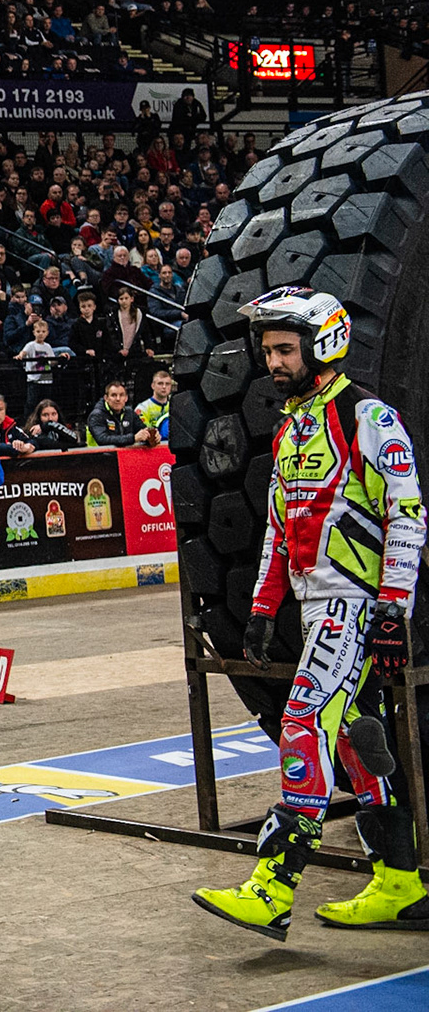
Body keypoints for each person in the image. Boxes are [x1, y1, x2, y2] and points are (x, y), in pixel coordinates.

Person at [194, 287, 426, 938]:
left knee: (303, 724)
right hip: (313, 606)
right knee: (355, 742)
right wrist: (264, 609)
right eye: (267, 349)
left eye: (284, 349)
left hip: (352, 608)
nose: (272, 361)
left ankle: (272, 887)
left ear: (324, 345)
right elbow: (277, 526)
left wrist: (391, 609)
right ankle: (401, 884)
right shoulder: (292, 425)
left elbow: (407, 514)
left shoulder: (368, 418)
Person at [85, 380, 151, 447]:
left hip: (123, 455)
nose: (118, 399)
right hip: (98, 456)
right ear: (106, 398)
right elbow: (102, 439)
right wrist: (132, 438)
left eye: (121, 395)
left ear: (126, 398)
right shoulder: (96, 415)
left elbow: (143, 430)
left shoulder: (129, 412)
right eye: (114, 395)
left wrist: (152, 436)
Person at [135, 369, 173, 444]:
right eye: (160, 383)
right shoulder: (142, 408)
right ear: (153, 386)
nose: (164, 387)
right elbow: (144, 432)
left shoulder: (175, 406)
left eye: (167, 384)